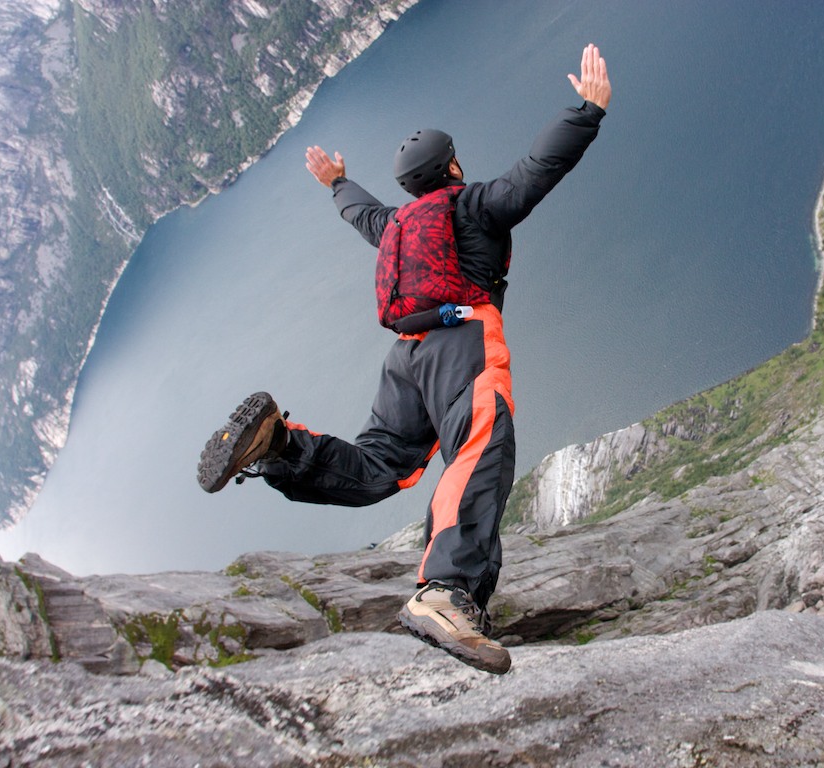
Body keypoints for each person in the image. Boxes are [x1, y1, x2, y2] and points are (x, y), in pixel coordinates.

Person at [196, 44, 611, 675]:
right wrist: (588, 110)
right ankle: (446, 592)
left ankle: (280, 446)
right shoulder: (473, 206)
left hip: (407, 355)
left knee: (376, 467)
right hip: (464, 340)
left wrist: (336, 181)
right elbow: (536, 170)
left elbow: (359, 212)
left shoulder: (395, 226)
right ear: (453, 166)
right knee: (481, 449)